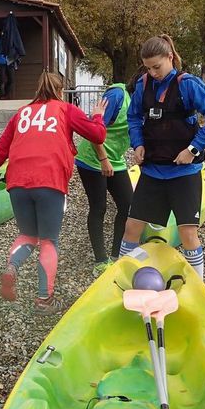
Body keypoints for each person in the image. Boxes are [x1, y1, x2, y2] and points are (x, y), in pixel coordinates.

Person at [0, 72, 107, 313]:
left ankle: (12, 266)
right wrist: (97, 116)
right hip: (49, 181)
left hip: (17, 182)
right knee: (48, 240)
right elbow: (97, 134)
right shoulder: (65, 109)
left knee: (28, 235)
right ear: (60, 91)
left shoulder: (22, 113)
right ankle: (44, 300)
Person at [118, 34, 205, 279]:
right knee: (132, 227)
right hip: (153, 171)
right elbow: (133, 117)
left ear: (170, 57)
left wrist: (193, 150)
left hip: (184, 173)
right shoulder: (143, 84)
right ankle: (122, 277)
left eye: (157, 66)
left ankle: (197, 285)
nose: (153, 72)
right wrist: (137, 144)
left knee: (188, 233)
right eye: (148, 68)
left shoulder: (188, 84)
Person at [75, 72, 137, 275]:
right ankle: (101, 261)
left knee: (128, 205)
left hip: (116, 161)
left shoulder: (142, 103)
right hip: (93, 159)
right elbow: (94, 129)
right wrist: (103, 159)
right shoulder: (118, 95)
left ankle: (116, 255)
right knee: (99, 207)